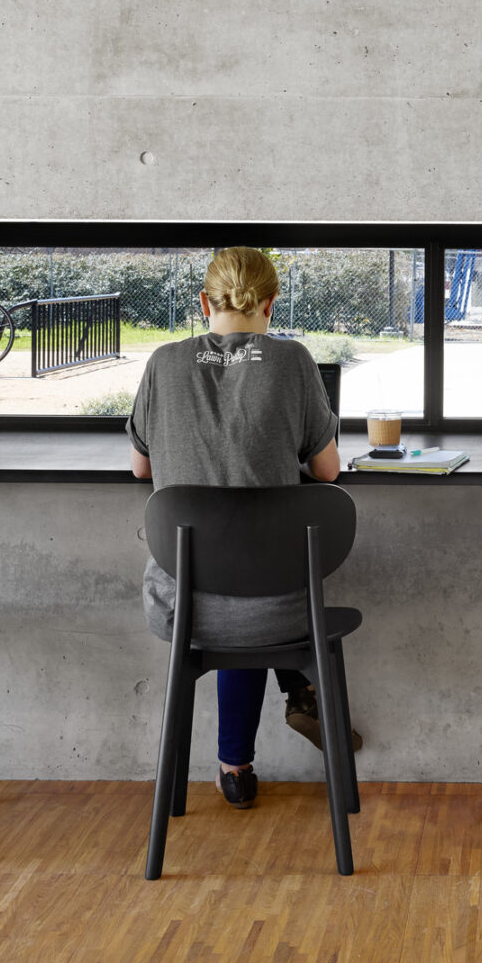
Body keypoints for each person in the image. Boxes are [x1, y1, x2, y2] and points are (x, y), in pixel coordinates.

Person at [128, 245, 354, 808]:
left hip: (183, 604)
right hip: (279, 608)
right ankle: (296, 687)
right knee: (257, 583)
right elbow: (326, 471)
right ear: (271, 304)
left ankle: (237, 768)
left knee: (228, 575)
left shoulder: (162, 362)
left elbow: (142, 467)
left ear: (204, 301)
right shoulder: (293, 361)